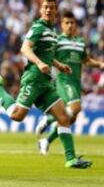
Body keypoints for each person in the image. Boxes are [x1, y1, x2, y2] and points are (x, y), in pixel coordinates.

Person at [0, 0, 92, 169]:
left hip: (46, 83)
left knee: (63, 117)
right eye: (45, 7)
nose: (48, 10)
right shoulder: (38, 27)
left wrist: (59, 66)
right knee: (17, 116)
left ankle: (70, 159)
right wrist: (38, 63)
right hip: (33, 78)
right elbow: (25, 48)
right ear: (40, 9)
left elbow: (48, 55)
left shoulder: (52, 31)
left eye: (51, 8)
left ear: (55, 11)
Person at [35, 11, 104, 154]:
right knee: (76, 107)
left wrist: (99, 64)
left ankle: (46, 141)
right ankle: (47, 119)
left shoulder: (80, 42)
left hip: (76, 82)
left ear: (76, 25)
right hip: (63, 80)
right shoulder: (58, 40)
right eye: (67, 23)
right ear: (62, 25)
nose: (70, 26)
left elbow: (85, 60)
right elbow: (48, 56)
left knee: (69, 120)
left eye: (72, 23)